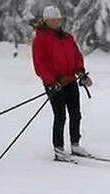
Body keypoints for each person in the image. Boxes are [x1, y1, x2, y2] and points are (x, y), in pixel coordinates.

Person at [32, 5, 93, 162]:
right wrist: (51, 82)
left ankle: (75, 145)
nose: (57, 22)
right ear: (46, 21)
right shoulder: (40, 39)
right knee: (60, 116)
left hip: (70, 80)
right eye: (53, 20)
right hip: (55, 83)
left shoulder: (67, 37)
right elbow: (40, 65)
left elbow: (76, 56)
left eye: (59, 20)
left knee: (76, 114)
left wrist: (81, 73)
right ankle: (58, 149)